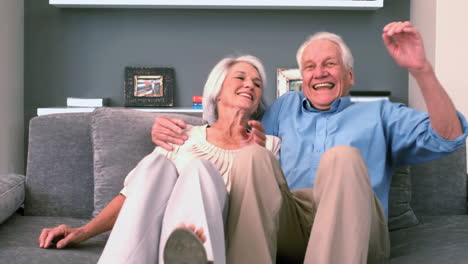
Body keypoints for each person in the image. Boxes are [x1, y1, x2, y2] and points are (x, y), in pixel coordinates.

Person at [151, 21, 468, 263]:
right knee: (252, 158)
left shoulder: (380, 114)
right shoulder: (284, 108)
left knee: (342, 157)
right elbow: (234, 130)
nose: (319, 74)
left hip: (357, 224)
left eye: (330, 64)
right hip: (294, 220)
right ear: (302, 78)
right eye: (310, 68)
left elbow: (448, 137)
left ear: (349, 75)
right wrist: (180, 130)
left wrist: (421, 70)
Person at [37, 55, 281, 264]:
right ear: (216, 91)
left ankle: (190, 250)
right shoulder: (181, 134)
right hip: (164, 234)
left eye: (257, 84)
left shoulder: (268, 145)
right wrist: (82, 232)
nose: (250, 85)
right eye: (241, 78)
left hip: (222, 239)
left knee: (199, 170)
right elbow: (134, 196)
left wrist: (258, 157)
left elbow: (276, 211)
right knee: (156, 166)